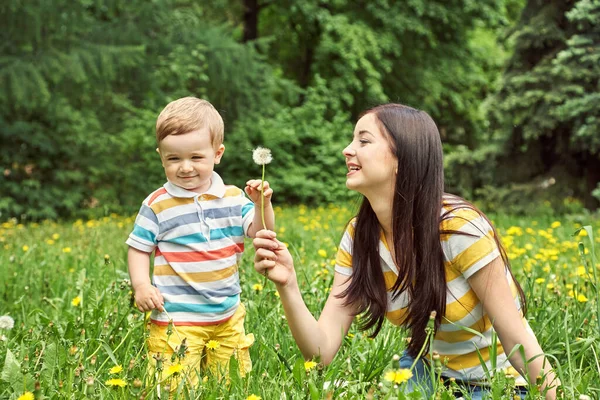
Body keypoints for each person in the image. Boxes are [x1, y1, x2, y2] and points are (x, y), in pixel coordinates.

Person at [253, 104, 559, 399]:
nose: (347, 149)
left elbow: (515, 336)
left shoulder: (458, 229)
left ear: (403, 157)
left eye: (364, 140)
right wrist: (288, 285)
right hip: (426, 373)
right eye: (352, 139)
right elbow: (320, 353)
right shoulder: (360, 237)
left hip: (500, 383)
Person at [126, 97, 275, 387]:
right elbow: (139, 247)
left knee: (232, 385)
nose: (185, 167)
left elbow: (258, 232)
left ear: (217, 153)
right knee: (174, 386)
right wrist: (142, 285)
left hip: (227, 314)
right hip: (176, 316)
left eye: (196, 158)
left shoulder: (232, 197)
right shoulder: (157, 204)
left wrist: (262, 205)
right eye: (173, 159)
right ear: (161, 157)